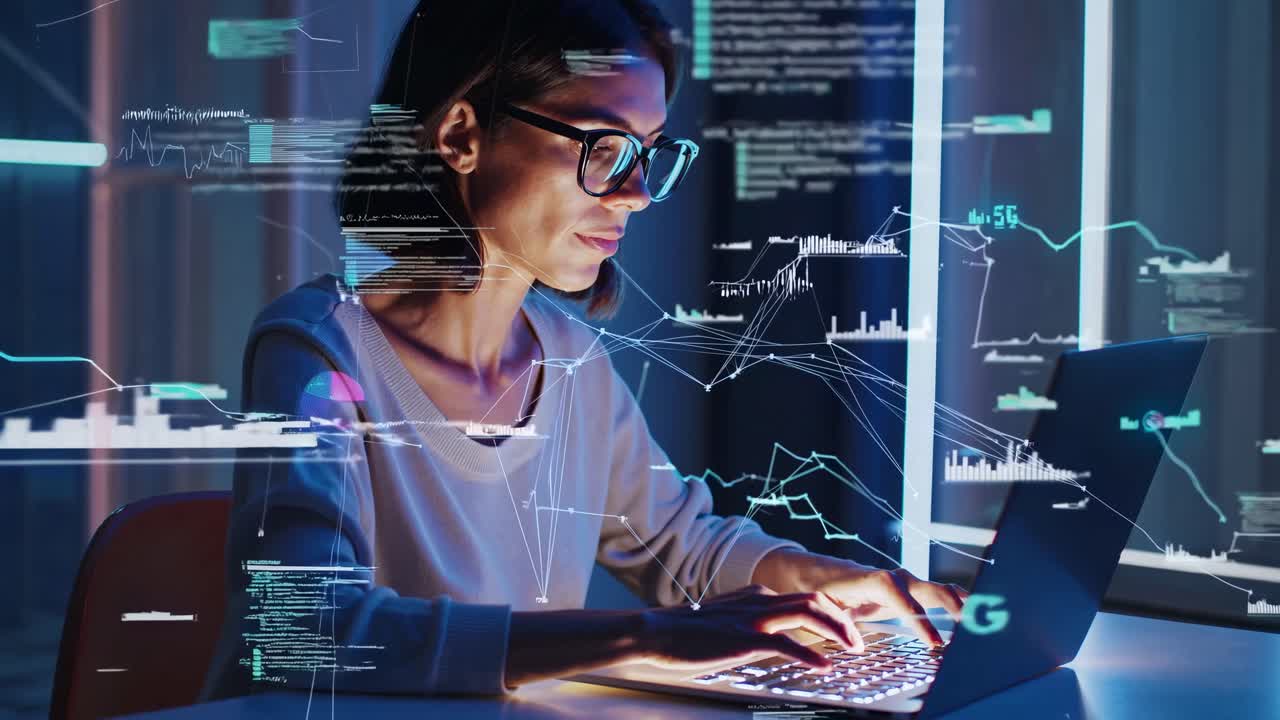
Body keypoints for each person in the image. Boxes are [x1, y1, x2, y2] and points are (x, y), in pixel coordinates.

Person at [201, 0, 965, 700]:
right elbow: (300, 631)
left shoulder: (570, 357)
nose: (635, 193)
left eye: (649, 153)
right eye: (604, 147)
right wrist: (645, 638)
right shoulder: (319, 347)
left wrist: (840, 584)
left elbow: (680, 548)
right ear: (461, 135)